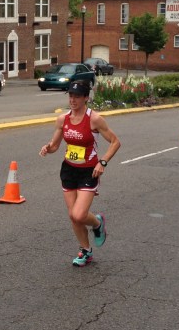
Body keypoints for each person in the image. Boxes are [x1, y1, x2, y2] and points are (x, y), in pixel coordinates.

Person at [39, 80, 121, 266]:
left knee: (78, 214)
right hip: (68, 170)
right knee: (73, 216)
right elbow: (55, 145)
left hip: (88, 172)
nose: (72, 100)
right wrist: (47, 148)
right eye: (70, 96)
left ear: (86, 98)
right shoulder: (62, 119)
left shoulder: (94, 119)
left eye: (77, 96)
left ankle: (97, 223)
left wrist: (102, 162)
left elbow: (115, 142)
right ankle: (85, 251)